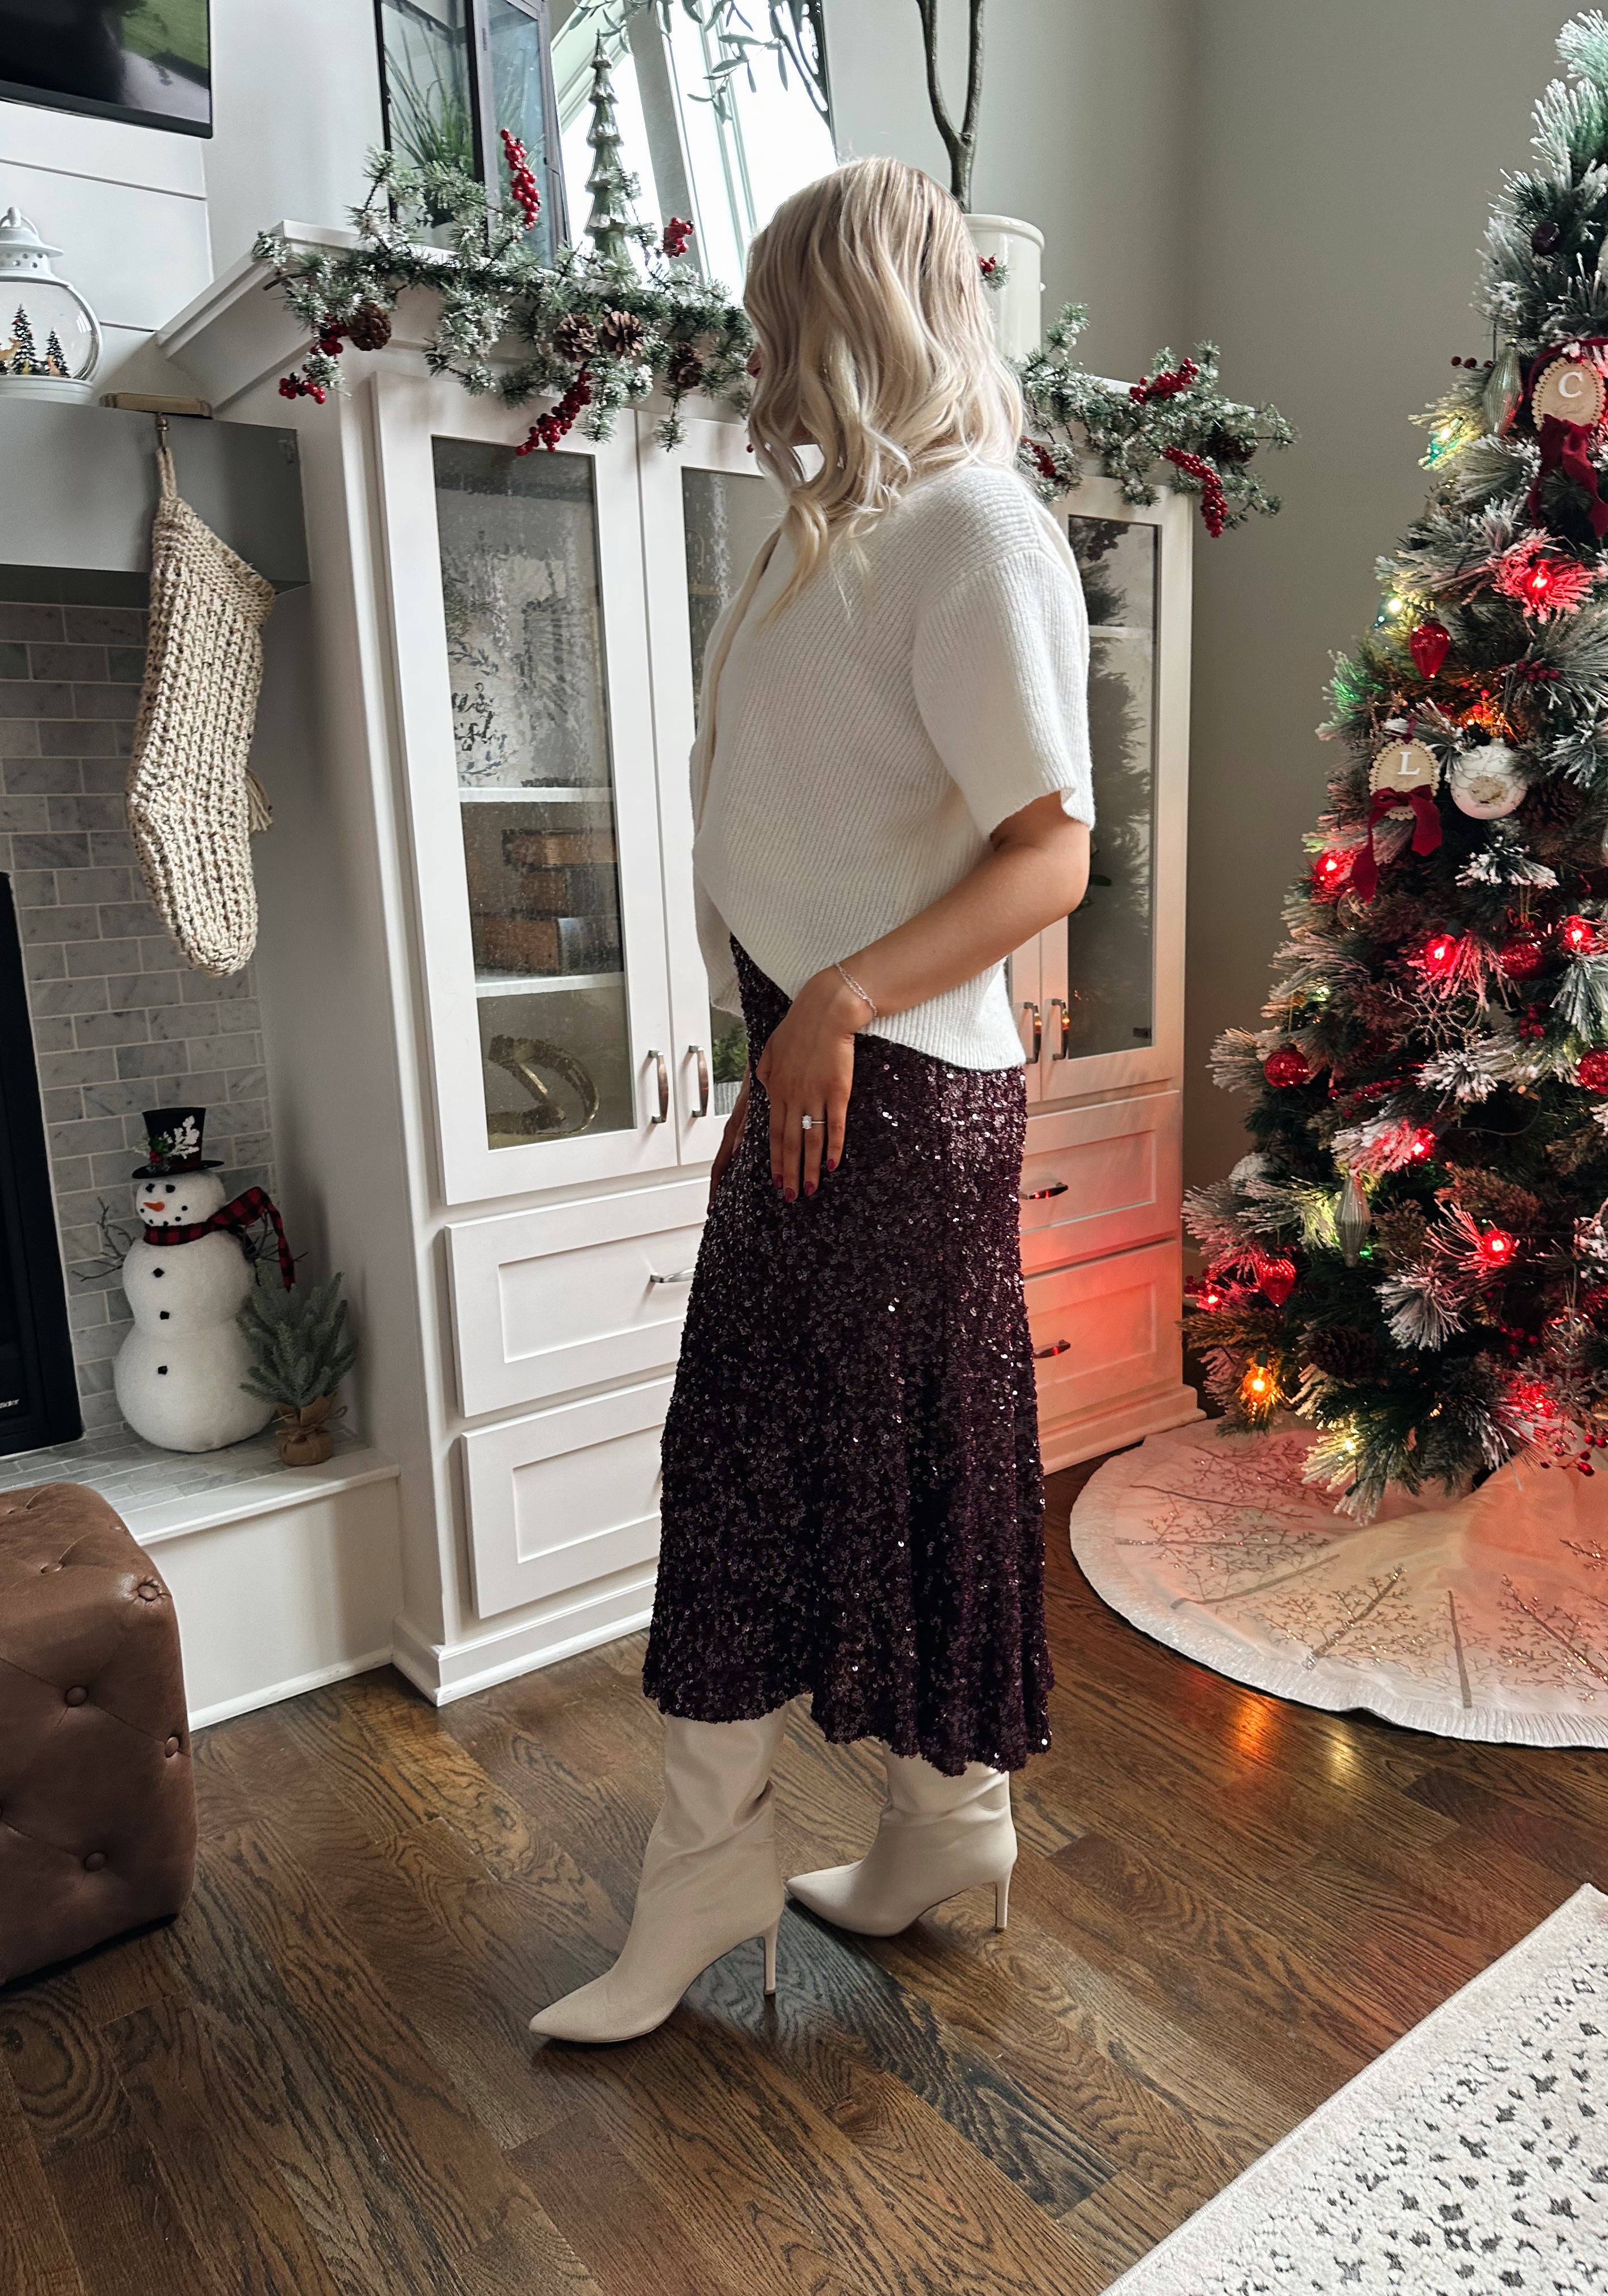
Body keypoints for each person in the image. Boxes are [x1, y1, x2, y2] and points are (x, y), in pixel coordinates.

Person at [531, 155, 1093, 2046]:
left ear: (850, 317)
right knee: (817, 1458)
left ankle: (741, 1870)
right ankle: (942, 1829)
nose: (758, 355)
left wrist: (841, 998)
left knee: (768, 1463)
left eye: (781, 318)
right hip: (823, 1066)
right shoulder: (822, 539)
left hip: (892, 1084)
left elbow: (1051, 851)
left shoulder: (972, 527)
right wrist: (786, 1015)